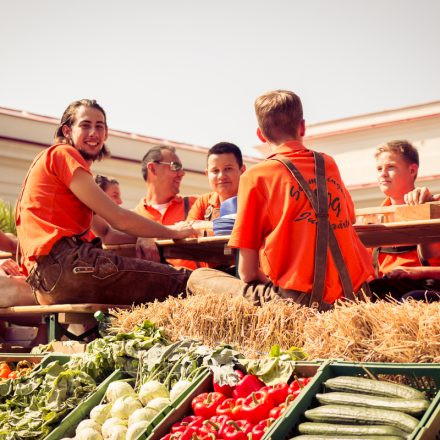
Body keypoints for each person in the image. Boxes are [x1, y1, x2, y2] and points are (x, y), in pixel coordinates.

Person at [187, 90, 374, 310]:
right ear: (302, 127)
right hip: (354, 296)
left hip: (298, 302)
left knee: (198, 277)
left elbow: (246, 272)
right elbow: (349, 216)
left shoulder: (256, 177)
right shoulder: (328, 164)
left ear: (260, 135)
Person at [15, 99, 195, 306]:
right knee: (184, 280)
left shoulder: (57, 167)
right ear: (67, 131)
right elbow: (119, 218)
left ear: (106, 133)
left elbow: (107, 232)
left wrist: (145, 236)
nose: (94, 132)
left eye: (99, 126)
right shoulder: (64, 154)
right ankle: (240, 298)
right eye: (85, 125)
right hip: (68, 267)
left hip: (48, 280)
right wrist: (174, 232)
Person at [368, 141, 440, 299]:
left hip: (426, 293)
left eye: (391, 167)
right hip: (386, 294)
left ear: (412, 170)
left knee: (411, 299)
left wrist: (416, 272)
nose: (383, 174)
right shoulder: (373, 223)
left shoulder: (434, 209)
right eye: (379, 169)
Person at [133, 146, 198, 267]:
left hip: (196, 284)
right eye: (175, 166)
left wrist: (151, 234)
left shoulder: (197, 204)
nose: (182, 173)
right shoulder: (132, 218)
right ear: (152, 168)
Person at [186, 142, 246, 222]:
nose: (221, 176)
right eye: (215, 171)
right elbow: (187, 229)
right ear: (207, 174)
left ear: (242, 170)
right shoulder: (204, 202)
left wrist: (201, 228)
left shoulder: (254, 199)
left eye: (228, 169)